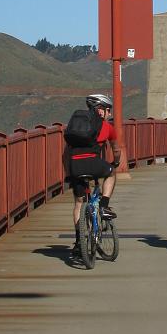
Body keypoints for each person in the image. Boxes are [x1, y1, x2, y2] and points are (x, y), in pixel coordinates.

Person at [64, 93, 121, 263]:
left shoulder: (76, 126)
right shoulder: (106, 127)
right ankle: (103, 205)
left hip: (75, 165)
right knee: (111, 173)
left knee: (79, 203)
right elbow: (116, 150)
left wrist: (68, 172)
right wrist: (115, 162)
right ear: (101, 110)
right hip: (93, 164)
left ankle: (79, 241)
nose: (109, 113)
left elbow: (65, 154)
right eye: (108, 110)